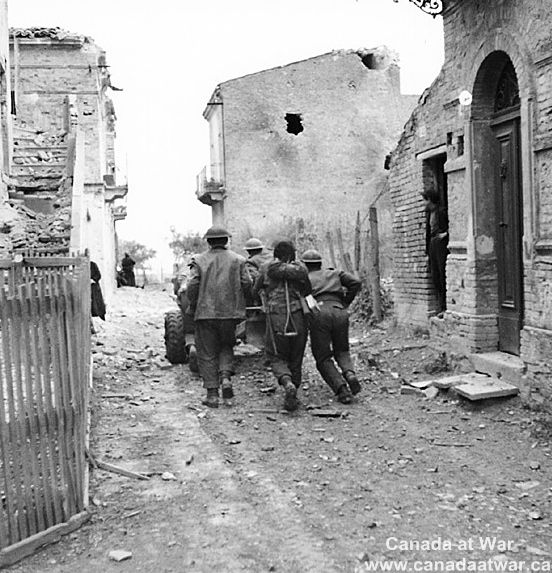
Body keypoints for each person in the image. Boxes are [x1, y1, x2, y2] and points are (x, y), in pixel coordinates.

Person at [187, 226, 252, 408]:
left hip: (205, 313)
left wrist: (193, 305)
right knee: (226, 346)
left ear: (208, 241)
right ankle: (225, 378)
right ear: (226, 241)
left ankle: (212, 395)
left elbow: (192, 285)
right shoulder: (238, 260)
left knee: (207, 352)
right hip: (230, 314)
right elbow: (247, 283)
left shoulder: (198, 261)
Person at [253, 240, 311, 411]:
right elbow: (308, 290)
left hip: (276, 316)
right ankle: (295, 391)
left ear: (275, 254)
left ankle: (287, 383)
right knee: (296, 354)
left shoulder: (265, 268)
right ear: (293, 253)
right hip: (298, 315)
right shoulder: (301, 269)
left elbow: (254, 290)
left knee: (276, 354)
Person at [301, 249, 362, 404]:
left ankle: (342, 390)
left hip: (319, 313)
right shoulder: (334, 273)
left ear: (305, 265)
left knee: (322, 357)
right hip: (339, 311)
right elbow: (356, 282)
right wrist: (345, 302)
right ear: (320, 263)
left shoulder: (304, 279)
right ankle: (350, 374)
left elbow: (302, 301)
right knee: (342, 350)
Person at [421, 189, 449, 317]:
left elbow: (452, 225)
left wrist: (445, 234)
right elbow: (428, 233)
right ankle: (440, 305)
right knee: (435, 275)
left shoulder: (441, 212)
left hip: (440, 244)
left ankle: (445, 306)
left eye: (425, 200)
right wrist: (427, 253)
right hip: (433, 244)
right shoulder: (429, 214)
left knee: (442, 273)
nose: (424, 203)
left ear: (431, 200)